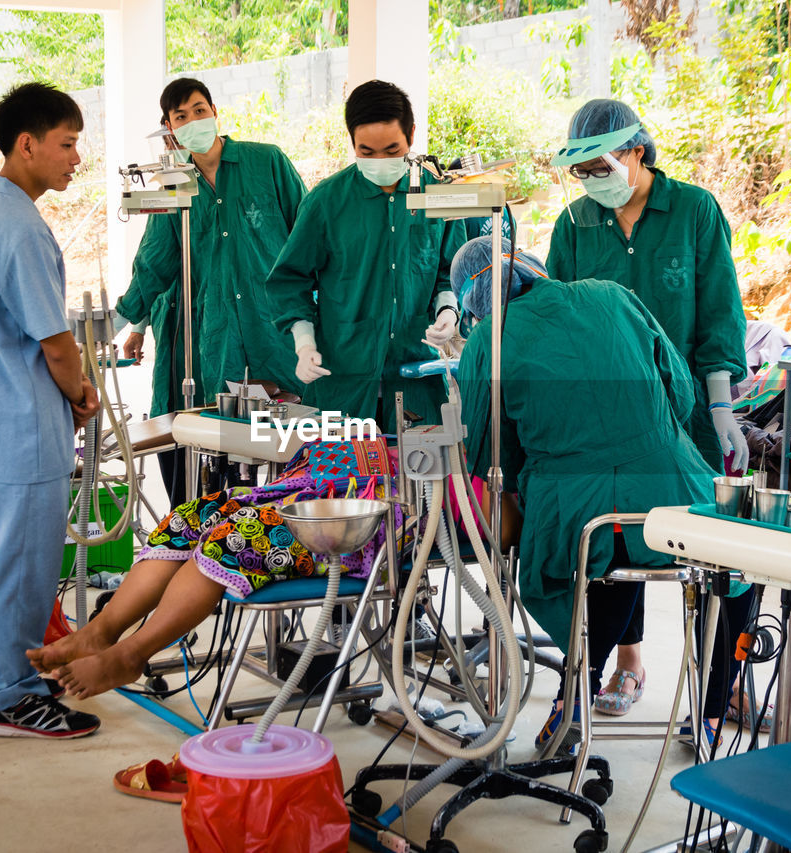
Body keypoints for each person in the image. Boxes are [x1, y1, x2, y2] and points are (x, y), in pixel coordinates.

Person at [450, 237, 748, 750]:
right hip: (675, 484)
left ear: (469, 306)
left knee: (603, 560)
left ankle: (575, 697)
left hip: (577, 508)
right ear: (533, 268)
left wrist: (553, 458)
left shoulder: (487, 344)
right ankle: (713, 709)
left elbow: (488, 454)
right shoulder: (611, 295)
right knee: (732, 568)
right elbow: (678, 388)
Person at [546, 99, 750, 716]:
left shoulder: (692, 211)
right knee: (619, 546)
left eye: (601, 164)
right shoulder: (576, 224)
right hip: (609, 422)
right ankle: (620, 669)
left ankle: (721, 690)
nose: (592, 181)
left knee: (716, 553)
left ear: (637, 149)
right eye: (581, 171)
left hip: (687, 418)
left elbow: (718, 313)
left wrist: (720, 407)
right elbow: (557, 320)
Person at [0, 82, 101, 738]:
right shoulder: (19, 226)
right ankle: (14, 697)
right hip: (24, 423)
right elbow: (56, 344)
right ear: (26, 144)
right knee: (24, 564)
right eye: (67, 145)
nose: (75, 158)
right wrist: (82, 391)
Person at [114, 78, 307, 505]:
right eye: (181, 116)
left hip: (274, 330)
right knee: (214, 446)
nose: (193, 121)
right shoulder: (174, 183)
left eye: (199, 110)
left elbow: (308, 235)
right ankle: (216, 540)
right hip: (211, 337)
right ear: (169, 126)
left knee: (290, 448)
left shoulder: (267, 162)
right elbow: (155, 261)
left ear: (215, 110)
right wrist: (122, 317)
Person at [26, 478, 392, 699]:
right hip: (315, 481)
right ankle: (100, 632)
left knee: (233, 540)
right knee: (188, 518)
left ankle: (132, 654)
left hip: (370, 510)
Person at [266, 79, 468, 433]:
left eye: (392, 151)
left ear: (412, 135)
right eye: (367, 152)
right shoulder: (326, 203)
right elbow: (289, 281)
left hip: (415, 373)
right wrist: (303, 343)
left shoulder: (437, 196)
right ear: (352, 143)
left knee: (422, 482)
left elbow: (451, 270)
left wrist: (448, 310)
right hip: (342, 379)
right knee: (345, 485)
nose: (380, 162)